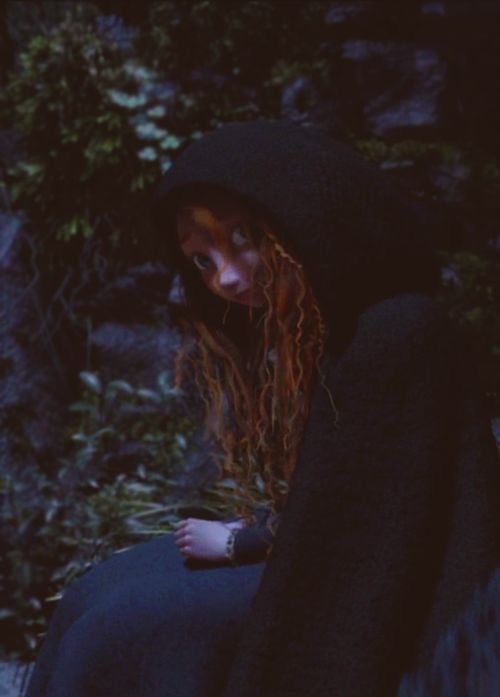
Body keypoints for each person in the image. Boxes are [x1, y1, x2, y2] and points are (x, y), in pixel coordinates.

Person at [25, 120, 500, 697]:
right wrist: (258, 528)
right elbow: (326, 491)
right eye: (201, 260)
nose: (224, 276)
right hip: (309, 546)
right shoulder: (314, 331)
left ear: (305, 215)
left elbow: (364, 523)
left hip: (372, 587)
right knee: (95, 592)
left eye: (243, 236)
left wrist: (235, 543)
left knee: (125, 624)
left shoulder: (393, 332)